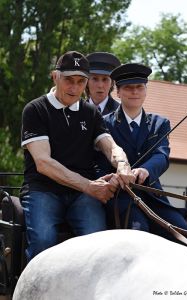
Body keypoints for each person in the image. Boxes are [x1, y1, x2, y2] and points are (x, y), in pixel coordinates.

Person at [20, 51, 135, 261]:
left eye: (81, 81)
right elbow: (43, 163)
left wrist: (122, 163)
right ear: (55, 76)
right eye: (68, 80)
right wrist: (89, 187)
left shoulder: (90, 112)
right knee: (43, 240)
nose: (74, 88)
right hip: (43, 190)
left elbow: (109, 146)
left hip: (82, 196)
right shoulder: (35, 109)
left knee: (98, 242)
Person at [96, 63, 187, 244]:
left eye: (139, 87)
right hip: (120, 196)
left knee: (186, 238)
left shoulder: (160, 123)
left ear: (145, 91)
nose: (135, 92)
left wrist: (145, 170)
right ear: (118, 92)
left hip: (153, 196)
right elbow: (98, 162)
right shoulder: (104, 123)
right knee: (139, 235)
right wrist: (112, 178)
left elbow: (161, 155)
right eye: (129, 87)